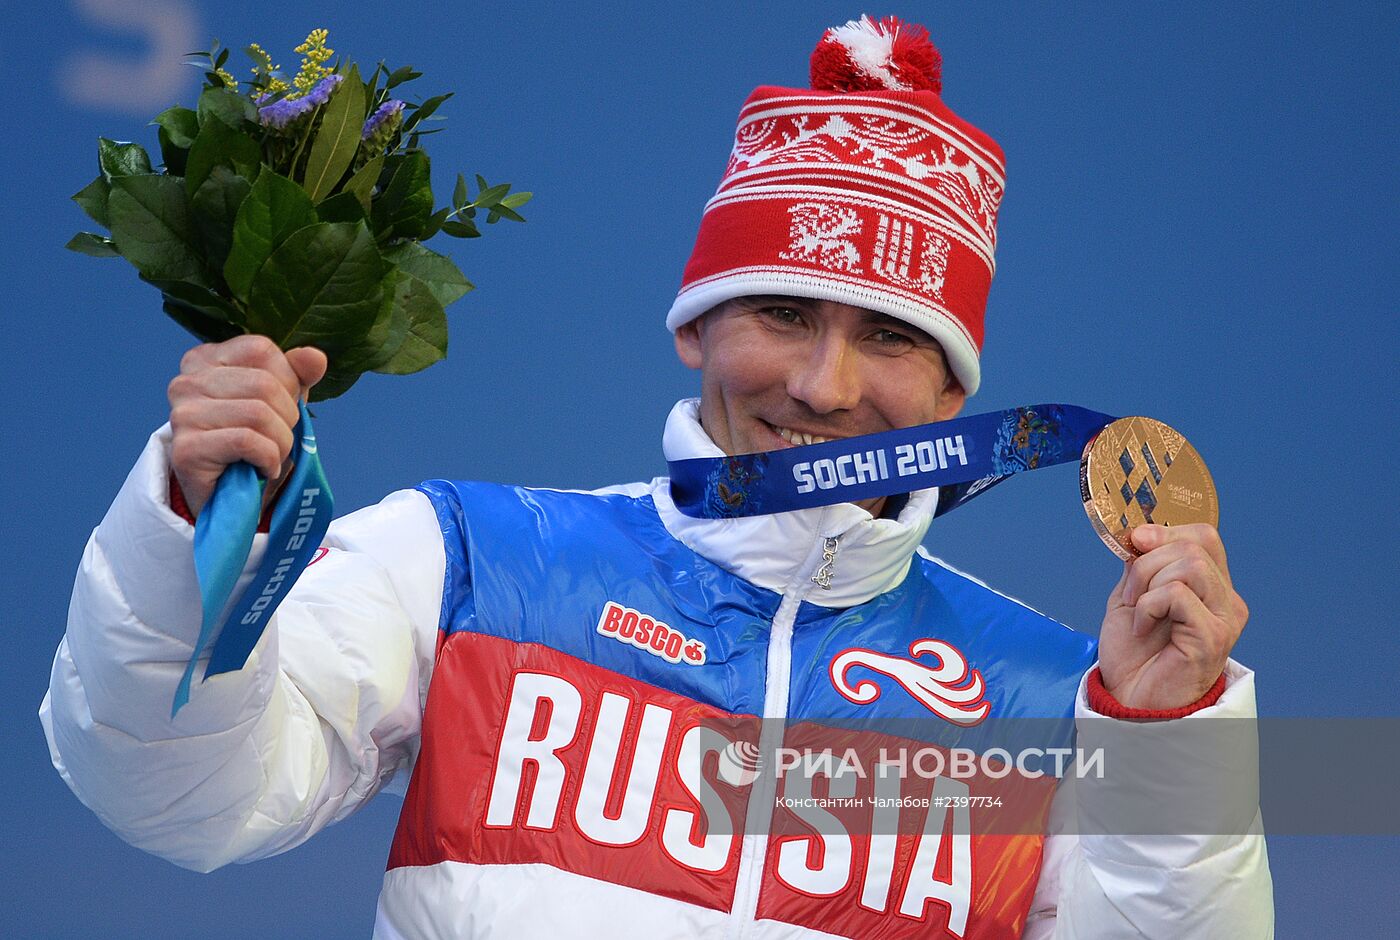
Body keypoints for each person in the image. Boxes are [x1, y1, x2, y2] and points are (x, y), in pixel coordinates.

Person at [40, 15, 1272, 939]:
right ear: (694, 326)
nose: (826, 386)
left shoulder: (1054, 700)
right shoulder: (468, 561)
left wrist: (1167, 739)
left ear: (954, 394)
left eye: (891, 338)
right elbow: (180, 792)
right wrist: (192, 531)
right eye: (782, 313)